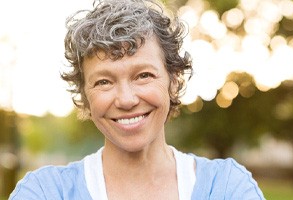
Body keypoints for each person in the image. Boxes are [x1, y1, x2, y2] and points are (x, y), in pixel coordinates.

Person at [9, 0, 265, 199]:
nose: (126, 99)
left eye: (143, 75)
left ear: (173, 80)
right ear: (85, 95)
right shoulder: (46, 193)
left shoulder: (226, 188)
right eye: (103, 82)